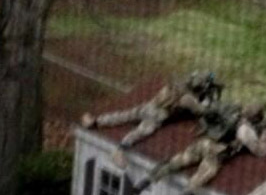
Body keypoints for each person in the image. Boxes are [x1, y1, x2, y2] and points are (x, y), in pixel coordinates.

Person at [131, 102, 266, 195]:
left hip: (204, 142)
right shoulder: (245, 130)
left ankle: (143, 183)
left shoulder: (231, 111)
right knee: (205, 173)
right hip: (216, 152)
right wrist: (265, 134)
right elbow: (260, 151)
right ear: (256, 118)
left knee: (176, 162)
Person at [80, 72, 223, 168]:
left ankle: (96, 121)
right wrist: (207, 102)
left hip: (149, 105)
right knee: (141, 132)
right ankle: (119, 150)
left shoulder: (176, 86)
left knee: (124, 115)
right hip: (157, 116)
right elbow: (201, 111)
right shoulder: (188, 98)